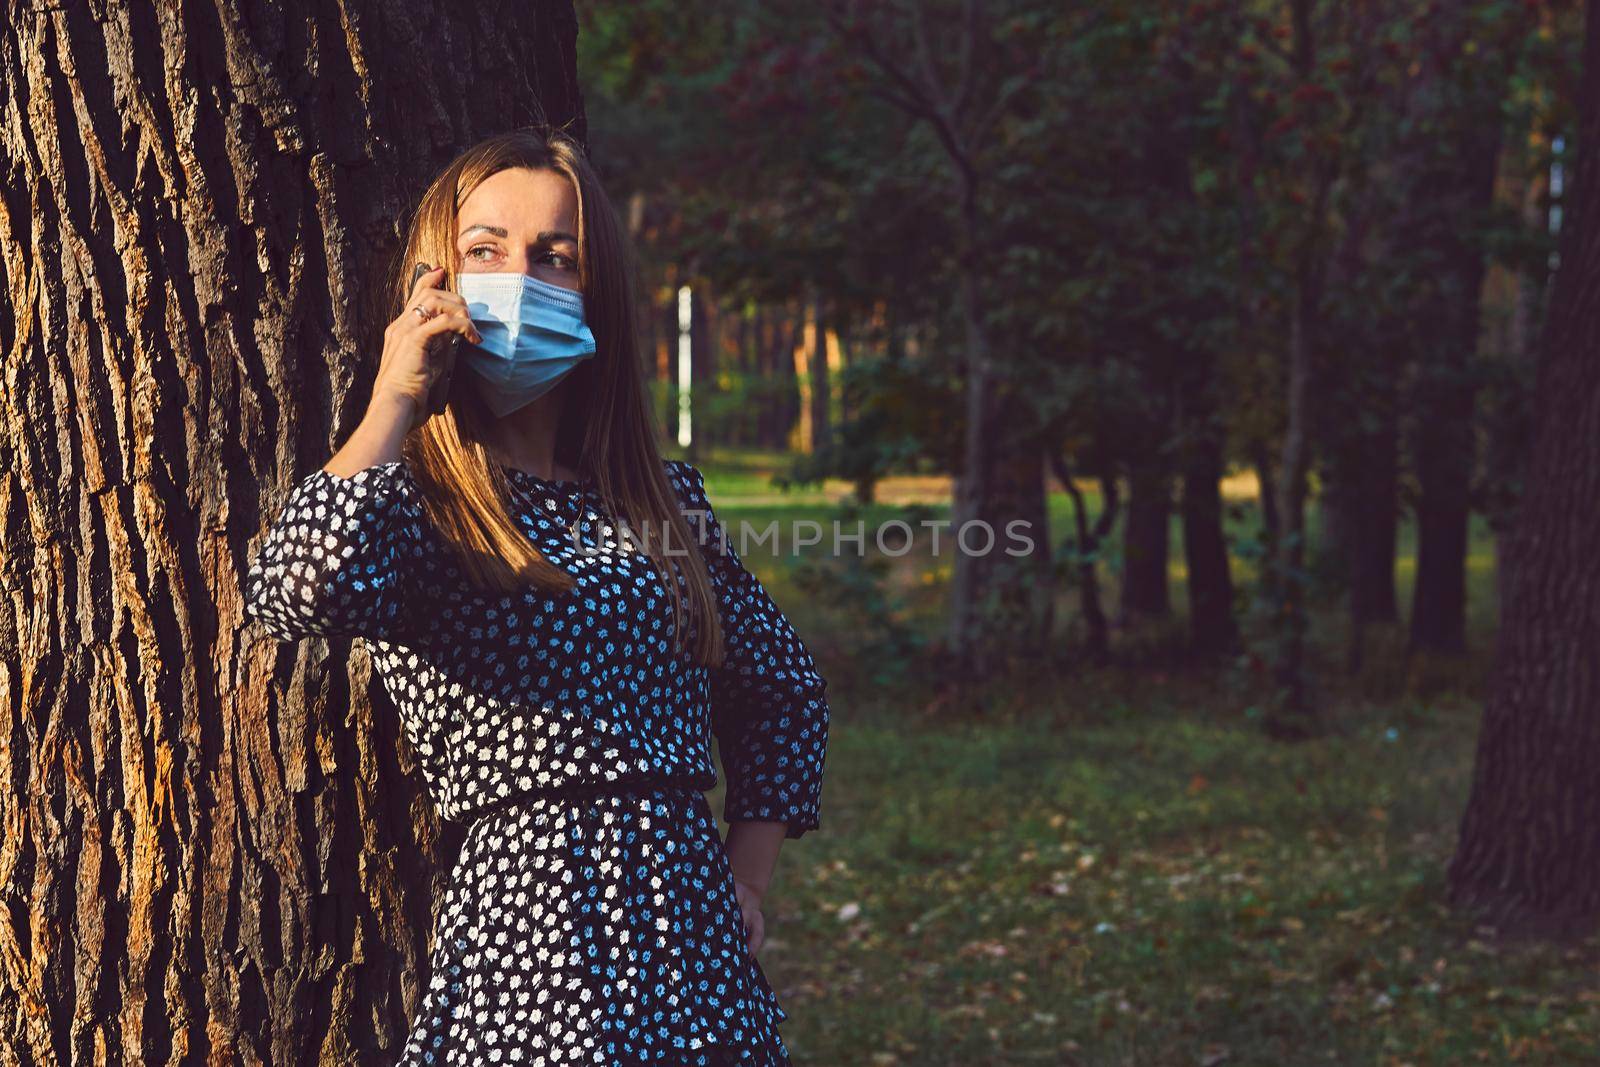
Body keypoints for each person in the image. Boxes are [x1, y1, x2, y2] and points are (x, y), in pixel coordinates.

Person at [242, 126, 830, 1066]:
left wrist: (747, 880)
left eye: (555, 257)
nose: (520, 278)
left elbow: (785, 687)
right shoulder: (414, 501)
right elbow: (296, 591)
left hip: (696, 940)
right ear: (438, 281)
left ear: (595, 289)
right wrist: (395, 395)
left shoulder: (659, 499)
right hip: (533, 932)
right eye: (486, 251)